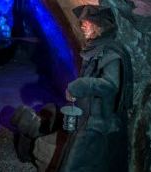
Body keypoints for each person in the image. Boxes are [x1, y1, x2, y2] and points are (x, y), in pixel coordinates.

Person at [59, 5, 128, 172]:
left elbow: (110, 85)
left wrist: (79, 86)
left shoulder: (111, 53)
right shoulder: (97, 48)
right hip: (88, 120)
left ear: (98, 26)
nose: (82, 26)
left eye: (86, 23)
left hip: (97, 125)